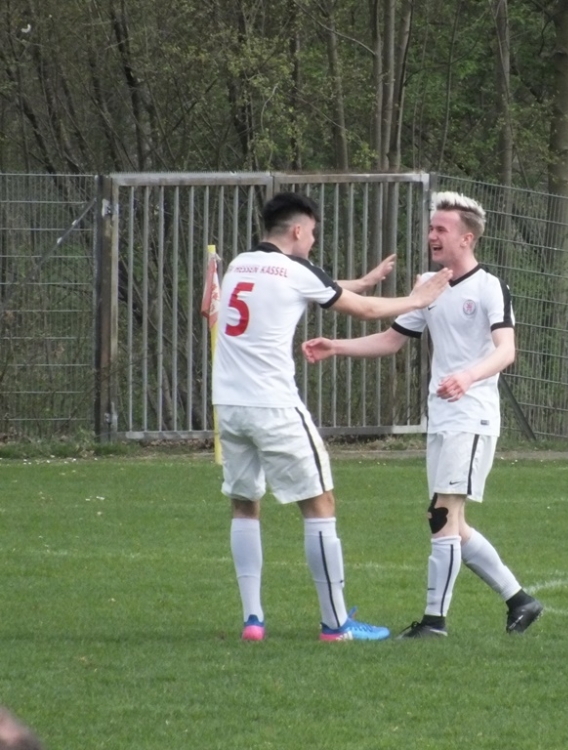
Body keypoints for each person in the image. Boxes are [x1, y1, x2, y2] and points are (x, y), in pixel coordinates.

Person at [213, 191, 452, 642]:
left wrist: (362, 280)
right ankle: (335, 625)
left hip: (228, 405)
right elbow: (364, 311)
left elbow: (309, 284)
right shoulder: (295, 270)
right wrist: (417, 298)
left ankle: (253, 620)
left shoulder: (240, 265)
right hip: (274, 405)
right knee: (319, 504)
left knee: (245, 503)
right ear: (297, 230)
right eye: (312, 234)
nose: (313, 242)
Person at [302, 191, 543, 638]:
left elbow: (506, 350)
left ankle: (434, 622)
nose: (432, 235)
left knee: (442, 516)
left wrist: (468, 377)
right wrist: (336, 346)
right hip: (443, 417)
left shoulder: (489, 287)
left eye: (441, 229)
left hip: (472, 417)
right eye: (431, 228)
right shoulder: (429, 287)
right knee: (451, 522)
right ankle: (520, 600)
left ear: (467, 238)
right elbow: (391, 340)